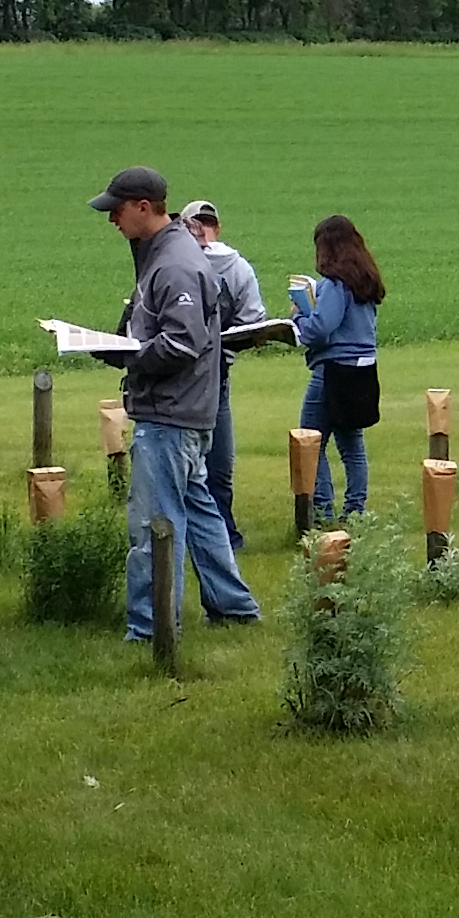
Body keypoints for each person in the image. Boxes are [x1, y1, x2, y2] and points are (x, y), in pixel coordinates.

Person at [97, 166, 262, 642]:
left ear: (144, 208)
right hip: (186, 410)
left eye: (117, 210)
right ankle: (232, 608)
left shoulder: (174, 264)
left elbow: (182, 344)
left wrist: (131, 357)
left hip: (170, 414)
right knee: (202, 512)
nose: (112, 221)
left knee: (154, 523)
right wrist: (113, 346)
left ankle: (151, 628)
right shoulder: (164, 254)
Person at [183, 201, 265, 544]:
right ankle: (212, 533)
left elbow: (254, 318)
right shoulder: (234, 266)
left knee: (207, 460)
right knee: (202, 459)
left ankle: (216, 532)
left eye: (205, 223)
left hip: (202, 375)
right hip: (200, 374)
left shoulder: (228, 267)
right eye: (198, 223)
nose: (202, 229)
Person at [294, 215, 386, 518]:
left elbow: (321, 328)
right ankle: (356, 511)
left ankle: (323, 510)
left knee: (311, 441)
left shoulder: (335, 285)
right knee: (352, 445)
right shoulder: (365, 281)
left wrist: (297, 319)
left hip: (333, 370)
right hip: (363, 370)